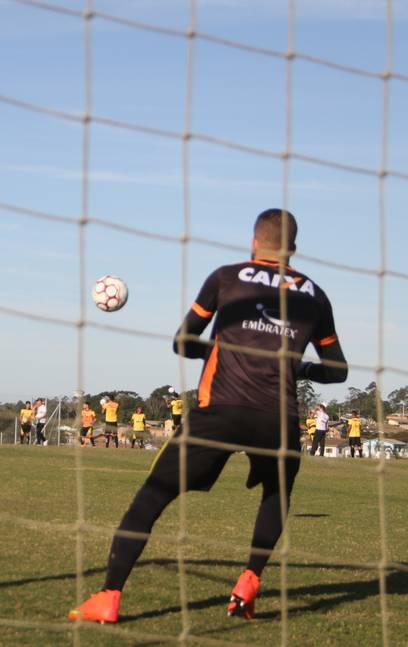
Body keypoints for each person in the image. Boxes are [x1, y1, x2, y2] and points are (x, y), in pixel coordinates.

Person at [69, 209, 348, 624]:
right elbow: (337, 370)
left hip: (220, 409)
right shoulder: (315, 295)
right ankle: (249, 581)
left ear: (254, 242)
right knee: (277, 495)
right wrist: (299, 366)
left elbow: (184, 343)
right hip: (279, 418)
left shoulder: (226, 277)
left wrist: (223, 349)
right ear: (293, 248)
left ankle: (109, 596)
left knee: (152, 496)